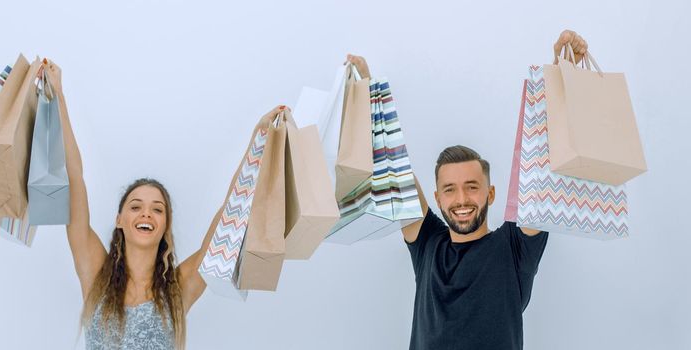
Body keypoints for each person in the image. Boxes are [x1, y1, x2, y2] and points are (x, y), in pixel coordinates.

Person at [346, 29, 589, 350]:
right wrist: (368, 98)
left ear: (490, 193)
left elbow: (541, 171)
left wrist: (559, 73)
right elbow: (394, 168)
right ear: (437, 198)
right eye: (450, 189)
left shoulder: (514, 248)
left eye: (471, 187)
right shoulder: (427, 244)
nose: (461, 199)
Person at [46, 58, 290, 349]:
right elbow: (74, 179)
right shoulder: (95, 273)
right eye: (135, 206)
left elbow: (229, 216)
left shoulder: (178, 288)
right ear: (119, 219)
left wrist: (259, 139)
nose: (146, 212)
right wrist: (58, 96)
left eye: (157, 209)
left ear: (165, 225)